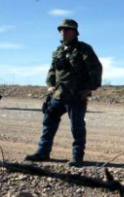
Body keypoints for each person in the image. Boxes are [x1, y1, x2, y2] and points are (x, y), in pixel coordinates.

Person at [25, 19, 103, 167]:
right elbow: (52, 70)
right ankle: (43, 152)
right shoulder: (58, 51)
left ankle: (77, 156)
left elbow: (96, 68)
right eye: (61, 29)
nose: (63, 32)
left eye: (66, 29)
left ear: (74, 32)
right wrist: (50, 85)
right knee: (48, 122)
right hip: (58, 95)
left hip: (76, 95)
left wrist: (89, 88)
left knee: (77, 127)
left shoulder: (83, 49)